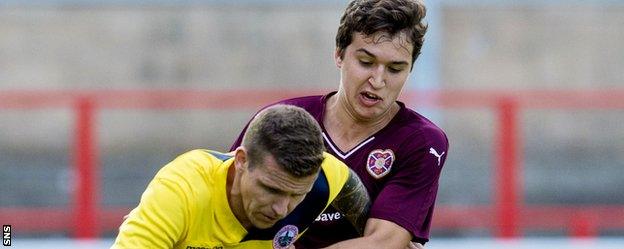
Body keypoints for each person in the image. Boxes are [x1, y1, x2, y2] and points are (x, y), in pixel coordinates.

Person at [230, 0, 448, 248]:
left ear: (410, 70)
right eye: (366, 62)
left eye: (395, 69)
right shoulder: (280, 120)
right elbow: (229, 204)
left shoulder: (422, 142)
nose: (377, 80)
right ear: (339, 54)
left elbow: (383, 242)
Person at [112, 105, 370, 249]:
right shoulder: (181, 189)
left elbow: (363, 206)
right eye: (271, 189)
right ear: (242, 161)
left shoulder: (325, 177)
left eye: (297, 195)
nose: (281, 209)